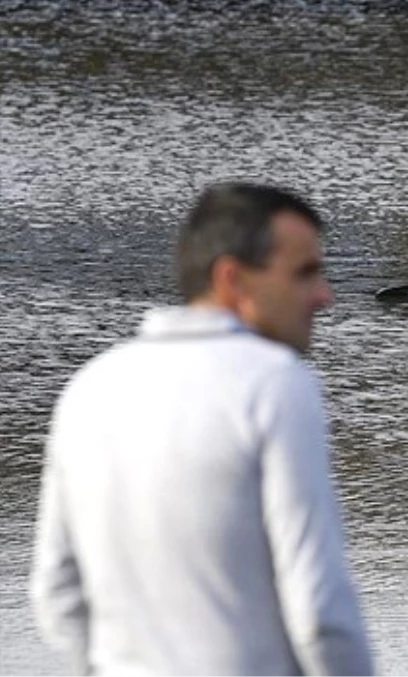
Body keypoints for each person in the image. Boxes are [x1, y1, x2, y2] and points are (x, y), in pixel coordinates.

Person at [30, 183, 374, 676]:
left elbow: (57, 593)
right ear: (233, 278)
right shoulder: (275, 384)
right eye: (305, 274)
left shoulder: (90, 387)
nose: (325, 296)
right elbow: (320, 610)